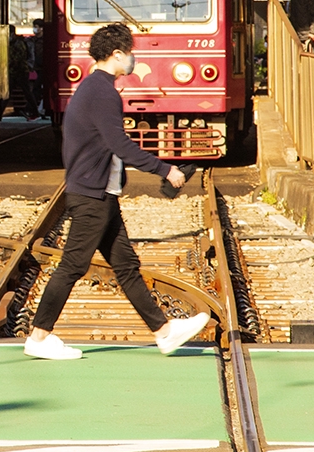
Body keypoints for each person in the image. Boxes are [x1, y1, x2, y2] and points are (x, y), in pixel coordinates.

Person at [24, 24, 212, 360]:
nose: (134, 59)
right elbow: (119, 144)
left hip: (100, 193)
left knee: (126, 267)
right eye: (130, 53)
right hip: (91, 196)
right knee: (72, 266)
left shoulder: (94, 88)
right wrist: (166, 169)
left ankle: (164, 332)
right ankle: (38, 338)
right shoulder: (102, 92)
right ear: (117, 55)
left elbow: (106, 146)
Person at [27, 18, 47, 119]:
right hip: (37, 68)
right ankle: (37, 110)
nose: (34, 29)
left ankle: (35, 110)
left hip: (44, 68)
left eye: (36, 27)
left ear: (42, 28)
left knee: (36, 89)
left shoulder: (45, 41)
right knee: (36, 89)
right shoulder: (32, 40)